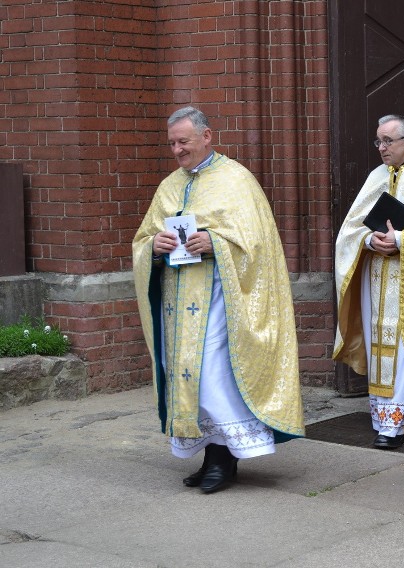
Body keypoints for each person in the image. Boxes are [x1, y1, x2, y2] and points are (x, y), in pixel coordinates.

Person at [132, 106, 304, 494]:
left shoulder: (236, 180)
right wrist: (154, 248)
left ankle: (224, 458)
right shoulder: (170, 185)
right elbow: (144, 239)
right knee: (188, 376)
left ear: (206, 136)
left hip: (220, 299)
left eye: (184, 142)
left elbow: (259, 245)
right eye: (172, 143)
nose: (177, 150)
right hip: (178, 304)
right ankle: (214, 454)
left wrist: (216, 243)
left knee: (211, 376)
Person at [334, 114, 404, 449]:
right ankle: (383, 421)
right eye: (378, 142)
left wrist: (401, 240)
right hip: (377, 279)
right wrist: (370, 242)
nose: (382, 148)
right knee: (379, 347)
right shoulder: (375, 177)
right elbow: (351, 230)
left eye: (388, 141)